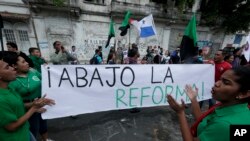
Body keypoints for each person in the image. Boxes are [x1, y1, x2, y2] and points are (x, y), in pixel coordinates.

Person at [167, 66, 250, 141]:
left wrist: (180, 112)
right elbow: (203, 122)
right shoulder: (234, 108)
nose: (217, 83)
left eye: (226, 82)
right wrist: (194, 99)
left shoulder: (224, 125)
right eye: (220, 79)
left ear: (243, 94)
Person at [0, 51, 54, 141]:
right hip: (16, 137)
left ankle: (45, 139)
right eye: (7, 67)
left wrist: (47, 70)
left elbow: (19, 104)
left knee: (42, 126)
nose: (12, 68)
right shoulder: (3, 97)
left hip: (25, 131)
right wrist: (33, 108)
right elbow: (11, 126)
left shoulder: (9, 90)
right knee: (34, 128)